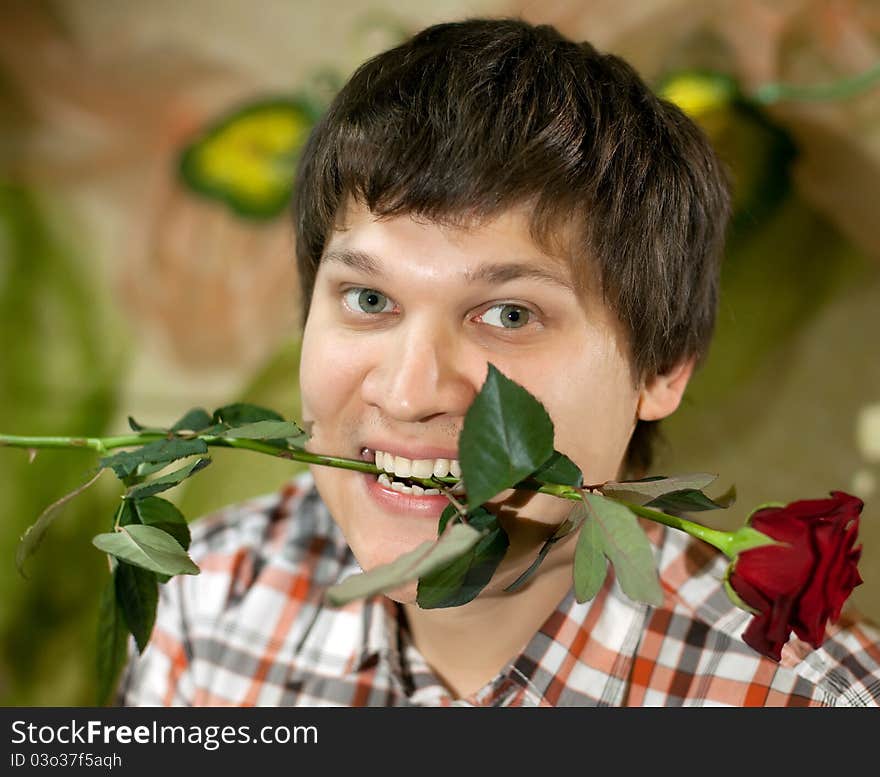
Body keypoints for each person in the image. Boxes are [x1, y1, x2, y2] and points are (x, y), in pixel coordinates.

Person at [119, 17, 880, 707]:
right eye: (369, 299)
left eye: (509, 315)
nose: (410, 392)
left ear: (663, 369)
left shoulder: (810, 706)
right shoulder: (207, 596)